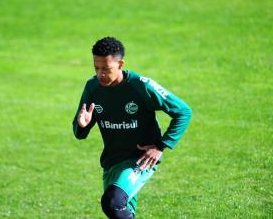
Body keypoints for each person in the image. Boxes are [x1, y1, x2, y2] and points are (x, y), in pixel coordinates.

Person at [72, 37, 192, 218]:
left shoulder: (141, 86)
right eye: (96, 68)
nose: (100, 74)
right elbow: (79, 131)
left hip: (140, 159)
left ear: (120, 64)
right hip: (112, 162)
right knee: (121, 210)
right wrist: (83, 125)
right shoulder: (92, 87)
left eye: (106, 69)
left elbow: (183, 111)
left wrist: (161, 146)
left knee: (113, 202)